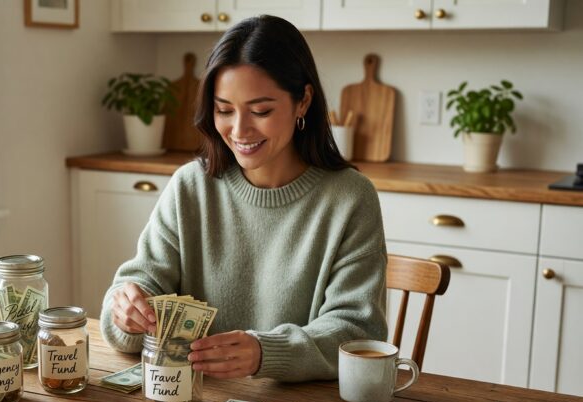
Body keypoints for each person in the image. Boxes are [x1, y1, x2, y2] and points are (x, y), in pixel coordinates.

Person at [100, 15, 387, 382]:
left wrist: (267, 352)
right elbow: (138, 286)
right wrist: (126, 312)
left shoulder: (350, 198)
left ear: (303, 101)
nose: (239, 130)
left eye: (261, 111)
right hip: (192, 399)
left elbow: (357, 331)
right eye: (224, 110)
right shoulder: (191, 185)